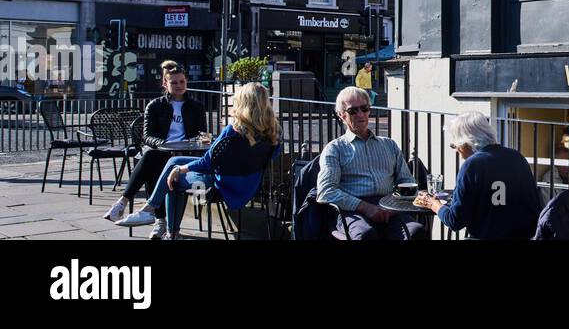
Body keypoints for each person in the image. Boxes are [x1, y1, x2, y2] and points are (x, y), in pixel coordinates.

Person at [116, 82, 281, 239]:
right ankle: (150, 209)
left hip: (221, 186)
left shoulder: (233, 131)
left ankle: (166, 227)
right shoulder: (273, 131)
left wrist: (181, 170)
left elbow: (207, 163)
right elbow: (271, 156)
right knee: (174, 162)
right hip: (250, 185)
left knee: (173, 178)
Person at [101, 61, 207, 238]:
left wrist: (189, 144)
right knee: (153, 157)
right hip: (162, 150)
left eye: (182, 82)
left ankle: (133, 207)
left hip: (185, 154)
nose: (179, 86)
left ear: (186, 82)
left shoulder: (196, 107)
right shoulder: (155, 105)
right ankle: (159, 221)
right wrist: (164, 145)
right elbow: (147, 136)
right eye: (174, 83)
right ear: (165, 84)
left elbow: (202, 134)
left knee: (153, 160)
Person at [316, 86, 428, 240]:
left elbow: (406, 181)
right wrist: (366, 208)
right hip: (353, 210)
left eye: (364, 108)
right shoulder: (334, 149)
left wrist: (397, 205)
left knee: (416, 232)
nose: (360, 114)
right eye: (353, 111)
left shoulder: (389, 145)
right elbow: (326, 191)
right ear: (342, 115)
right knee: (365, 235)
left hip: (389, 206)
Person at [434, 112, 541, 240]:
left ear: (466, 143)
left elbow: (455, 221)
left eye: (454, 145)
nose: (456, 150)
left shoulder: (472, 165)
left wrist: (434, 205)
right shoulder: (517, 157)